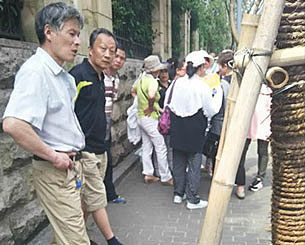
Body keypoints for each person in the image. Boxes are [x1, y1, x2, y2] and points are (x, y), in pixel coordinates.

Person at [2, 3, 90, 244]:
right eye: (71, 33)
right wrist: (54, 156)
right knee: (76, 240)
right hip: (56, 170)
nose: (77, 42)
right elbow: (13, 124)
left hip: (70, 167)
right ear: (49, 33)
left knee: (67, 234)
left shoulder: (61, 75)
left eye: (78, 34)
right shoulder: (36, 72)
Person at [70, 28, 122, 245]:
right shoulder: (78, 75)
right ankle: (112, 240)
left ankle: (69, 238)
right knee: (97, 199)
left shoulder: (102, 77)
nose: (108, 54)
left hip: (102, 149)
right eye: (103, 49)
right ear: (90, 50)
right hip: (85, 152)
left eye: (112, 50)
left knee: (87, 203)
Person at [168, 50, 223, 209]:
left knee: (178, 160)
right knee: (193, 162)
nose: (205, 70)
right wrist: (217, 92)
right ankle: (192, 199)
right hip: (194, 127)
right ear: (200, 68)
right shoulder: (202, 85)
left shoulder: (178, 82)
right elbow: (211, 110)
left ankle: (178, 194)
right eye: (204, 67)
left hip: (177, 126)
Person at [131, 55, 173, 185]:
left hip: (141, 117)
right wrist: (150, 107)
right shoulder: (153, 82)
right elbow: (151, 95)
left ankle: (148, 173)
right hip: (150, 118)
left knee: (147, 146)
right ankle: (166, 177)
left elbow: (133, 92)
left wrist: (142, 104)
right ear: (155, 70)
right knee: (161, 147)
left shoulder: (141, 80)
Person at [235, 83, 272, 199]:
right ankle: (241, 178)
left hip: (264, 123)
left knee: (262, 151)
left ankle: (260, 177)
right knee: (243, 150)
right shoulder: (248, 86)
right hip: (248, 123)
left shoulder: (270, 89)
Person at [202, 50, 233, 174]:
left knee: (216, 151)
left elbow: (218, 106)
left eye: (220, 66)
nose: (219, 69)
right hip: (231, 122)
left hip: (219, 124)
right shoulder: (238, 80)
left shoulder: (223, 83)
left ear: (225, 66)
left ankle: (216, 175)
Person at [103, 43, 127, 204]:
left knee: (108, 160)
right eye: (116, 56)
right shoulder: (99, 76)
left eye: (122, 58)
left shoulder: (116, 79)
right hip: (95, 124)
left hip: (106, 122)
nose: (118, 60)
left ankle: (110, 194)